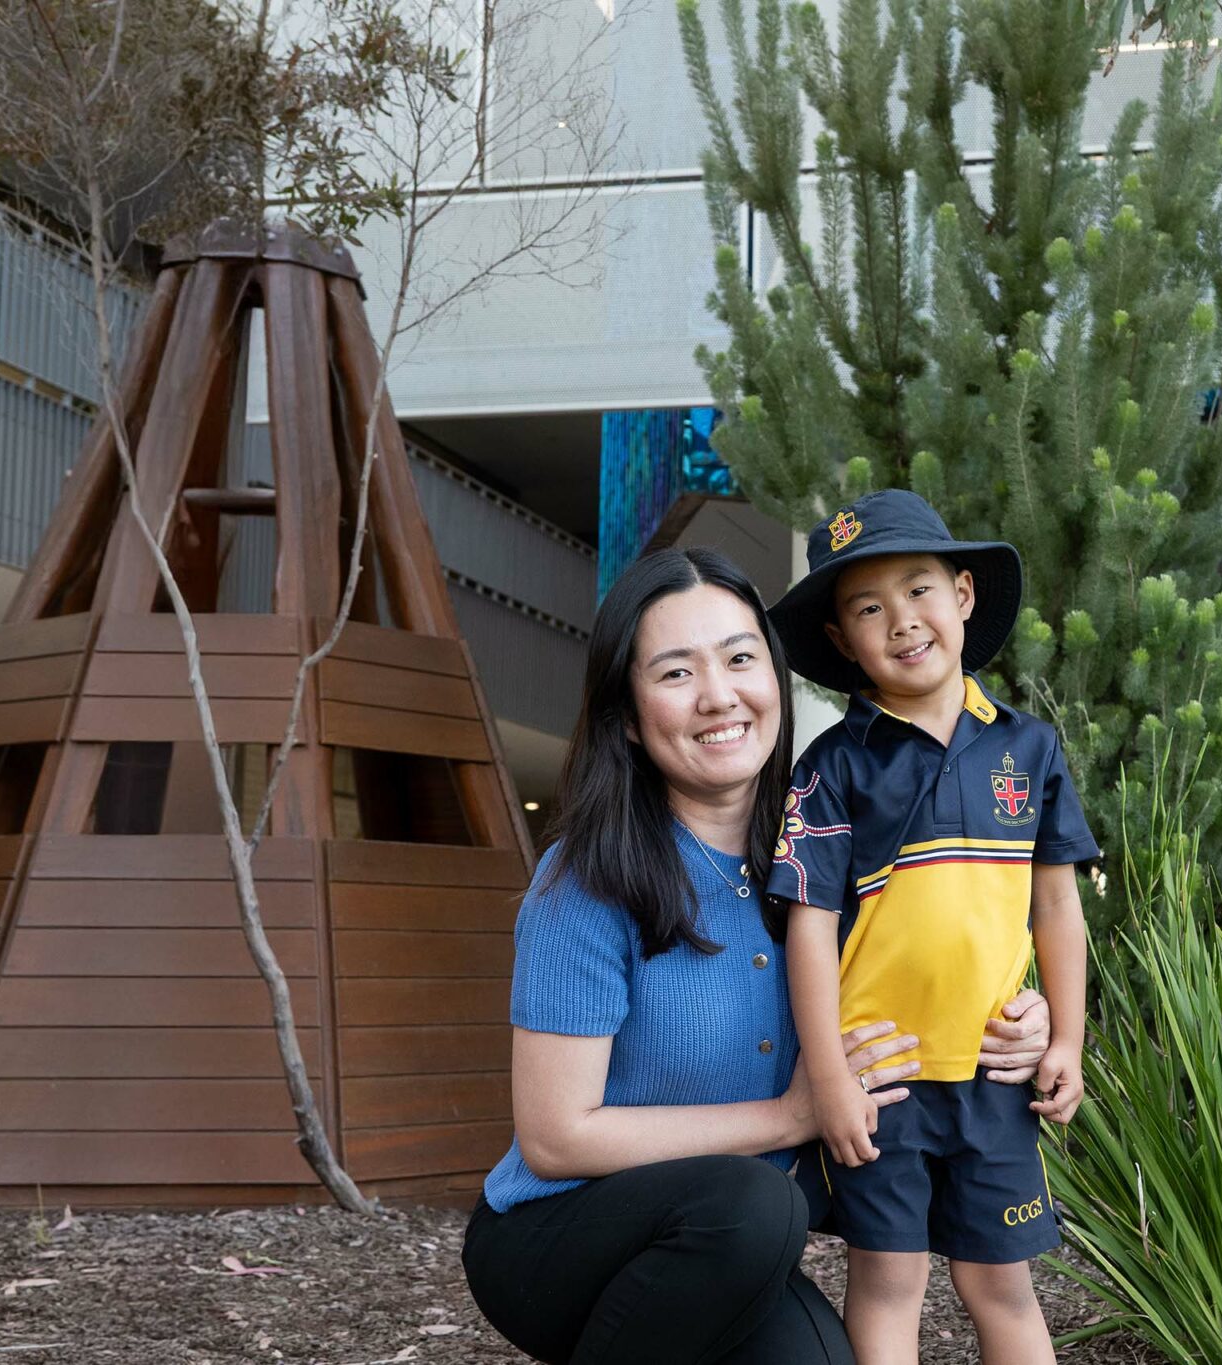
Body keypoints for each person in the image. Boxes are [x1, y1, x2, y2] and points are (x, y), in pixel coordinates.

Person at [460, 546, 1054, 1365]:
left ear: (774, 680)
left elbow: (941, 946)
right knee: (749, 1204)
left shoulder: (830, 847)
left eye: (741, 659)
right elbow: (556, 1136)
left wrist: (1024, 1017)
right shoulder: (586, 880)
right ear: (628, 715)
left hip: (726, 1244)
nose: (718, 696)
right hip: (559, 1236)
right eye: (675, 673)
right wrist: (790, 1115)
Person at [765, 490, 1098, 1365]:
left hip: (996, 1068)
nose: (901, 621)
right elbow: (809, 928)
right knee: (889, 1280)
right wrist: (829, 1078)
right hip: (884, 1081)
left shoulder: (1029, 750)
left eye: (918, 591)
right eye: (868, 608)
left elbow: (1057, 904)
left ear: (963, 594)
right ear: (840, 641)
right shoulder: (835, 765)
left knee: (1002, 1286)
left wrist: (1067, 1036)